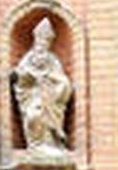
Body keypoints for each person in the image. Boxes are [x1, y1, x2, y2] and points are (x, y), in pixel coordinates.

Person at [10, 17, 72, 155]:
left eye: (46, 43)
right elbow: (19, 76)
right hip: (33, 95)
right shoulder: (28, 58)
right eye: (40, 42)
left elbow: (62, 81)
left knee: (47, 117)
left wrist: (50, 80)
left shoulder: (53, 60)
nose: (42, 46)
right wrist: (27, 77)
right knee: (34, 115)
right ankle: (35, 144)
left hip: (49, 98)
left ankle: (51, 143)